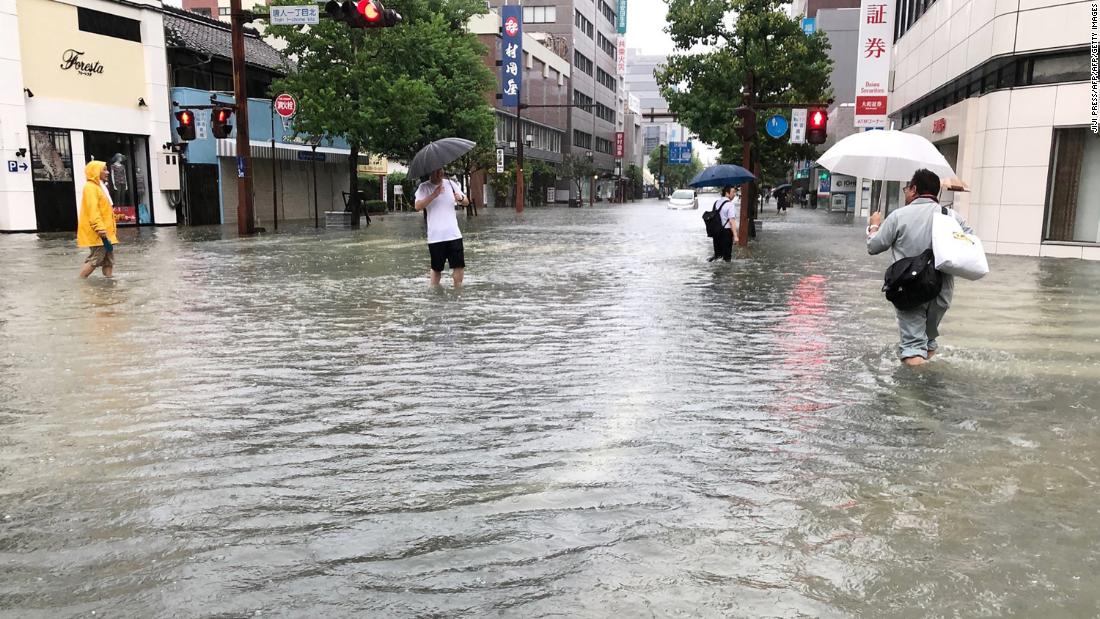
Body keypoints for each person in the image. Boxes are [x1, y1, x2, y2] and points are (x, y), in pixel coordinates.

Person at [867, 168, 973, 366]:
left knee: (913, 346)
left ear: (914, 189)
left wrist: (874, 226)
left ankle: (919, 391)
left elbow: (874, 247)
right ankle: (928, 375)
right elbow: (969, 245)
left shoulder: (899, 216)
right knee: (929, 341)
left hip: (909, 288)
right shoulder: (953, 217)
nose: (905, 192)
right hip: (941, 289)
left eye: (906, 188)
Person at [414, 168, 469, 286]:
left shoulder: (451, 184)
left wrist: (460, 199)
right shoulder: (424, 187)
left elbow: (466, 202)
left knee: (459, 266)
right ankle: (435, 295)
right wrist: (434, 195)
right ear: (430, 173)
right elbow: (417, 206)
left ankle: (458, 293)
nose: (440, 173)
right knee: (436, 268)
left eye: (441, 170)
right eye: (436, 171)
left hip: (454, 233)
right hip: (436, 236)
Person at [77, 160, 118, 279]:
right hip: (99, 232)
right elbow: (93, 210)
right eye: (104, 169)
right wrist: (100, 229)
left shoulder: (100, 187)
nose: (108, 172)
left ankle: (109, 285)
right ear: (95, 172)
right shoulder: (90, 188)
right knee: (95, 259)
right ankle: (81, 282)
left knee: (109, 260)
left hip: (107, 232)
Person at [708, 185, 740, 262]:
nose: (734, 194)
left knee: (718, 256)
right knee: (727, 258)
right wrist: (735, 236)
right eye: (733, 192)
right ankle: (726, 273)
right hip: (726, 233)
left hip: (716, 232)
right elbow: (731, 221)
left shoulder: (716, 203)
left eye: (735, 192)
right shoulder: (730, 204)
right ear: (727, 193)